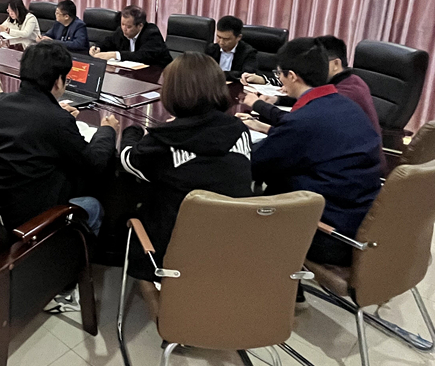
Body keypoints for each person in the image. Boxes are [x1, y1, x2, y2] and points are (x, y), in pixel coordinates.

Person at [244, 38, 382, 271]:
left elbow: (253, 166)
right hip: (361, 219)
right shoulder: (348, 106)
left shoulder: (304, 122)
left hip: (329, 234)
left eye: (279, 74)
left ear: (291, 76)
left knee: (235, 211)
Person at [119, 52, 253, 281]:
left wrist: (131, 131)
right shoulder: (240, 130)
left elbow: (128, 160)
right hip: (236, 245)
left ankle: (161, 301)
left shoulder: (164, 140)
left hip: (175, 249)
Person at [0, 40, 119, 236]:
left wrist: (56, 113)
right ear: (58, 81)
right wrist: (107, 130)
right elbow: (94, 163)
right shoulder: (57, 120)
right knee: (93, 206)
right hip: (32, 219)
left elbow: (32, 123)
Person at [243, 36, 382, 136]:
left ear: (336, 64)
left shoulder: (344, 94)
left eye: (320, 61)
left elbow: (300, 125)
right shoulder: (350, 80)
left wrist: (259, 106)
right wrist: (278, 100)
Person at [89, 5, 173, 68]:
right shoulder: (121, 31)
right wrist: (97, 47)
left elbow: (143, 56)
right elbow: (109, 42)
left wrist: (115, 55)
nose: (124, 29)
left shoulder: (151, 33)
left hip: (159, 74)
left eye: (129, 26)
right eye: (122, 24)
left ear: (140, 26)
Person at [205, 15, 258, 80]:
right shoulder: (211, 49)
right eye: (219, 37)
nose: (221, 42)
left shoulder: (248, 52)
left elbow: (248, 74)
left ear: (238, 37)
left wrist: (220, 74)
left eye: (226, 39)